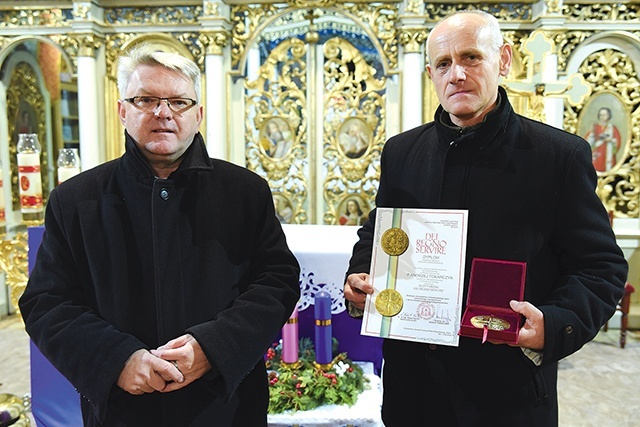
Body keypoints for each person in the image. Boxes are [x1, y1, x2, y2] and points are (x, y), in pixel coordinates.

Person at [343, 11, 627, 427]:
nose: (456, 74)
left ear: (504, 60)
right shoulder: (402, 152)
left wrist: (555, 324)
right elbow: (378, 233)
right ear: (430, 73)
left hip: (506, 397)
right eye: (443, 64)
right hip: (413, 393)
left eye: (471, 57)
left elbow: (601, 267)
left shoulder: (558, 156)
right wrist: (359, 277)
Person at [19, 45, 301, 427]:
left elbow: (277, 281)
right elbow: (46, 302)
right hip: (123, 410)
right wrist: (116, 359)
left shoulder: (245, 191)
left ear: (198, 114)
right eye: (146, 99)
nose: (163, 112)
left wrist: (213, 348)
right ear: (123, 110)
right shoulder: (76, 200)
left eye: (179, 101)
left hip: (225, 407)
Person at [584, 106, 622, 172]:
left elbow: (617, 142)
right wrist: (592, 133)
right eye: (600, 115)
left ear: (608, 116)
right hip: (597, 155)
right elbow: (587, 143)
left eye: (604, 115)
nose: (602, 117)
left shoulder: (612, 128)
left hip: (608, 155)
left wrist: (610, 140)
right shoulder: (595, 127)